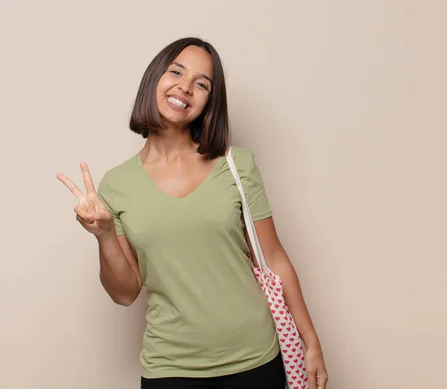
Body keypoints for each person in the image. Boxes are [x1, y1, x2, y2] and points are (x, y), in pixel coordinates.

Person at [57, 37, 328, 389]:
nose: (185, 87)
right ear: (154, 79)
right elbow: (124, 293)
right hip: (170, 367)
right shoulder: (116, 185)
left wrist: (311, 341)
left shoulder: (236, 166)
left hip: (256, 360)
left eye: (202, 83)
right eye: (176, 72)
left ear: (209, 102)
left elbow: (275, 258)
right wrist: (105, 234)